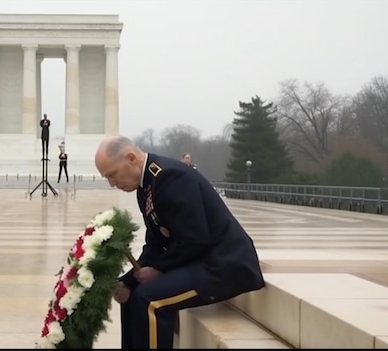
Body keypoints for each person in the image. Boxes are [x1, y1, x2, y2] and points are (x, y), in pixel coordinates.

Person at [94, 136, 265, 349]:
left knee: (149, 301)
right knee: (131, 295)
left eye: (112, 175)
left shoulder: (170, 177)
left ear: (131, 158)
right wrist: (127, 282)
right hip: (199, 260)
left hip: (224, 265)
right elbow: (155, 244)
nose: (111, 184)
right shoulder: (146, 184)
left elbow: (195, 238)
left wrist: (159, 268)